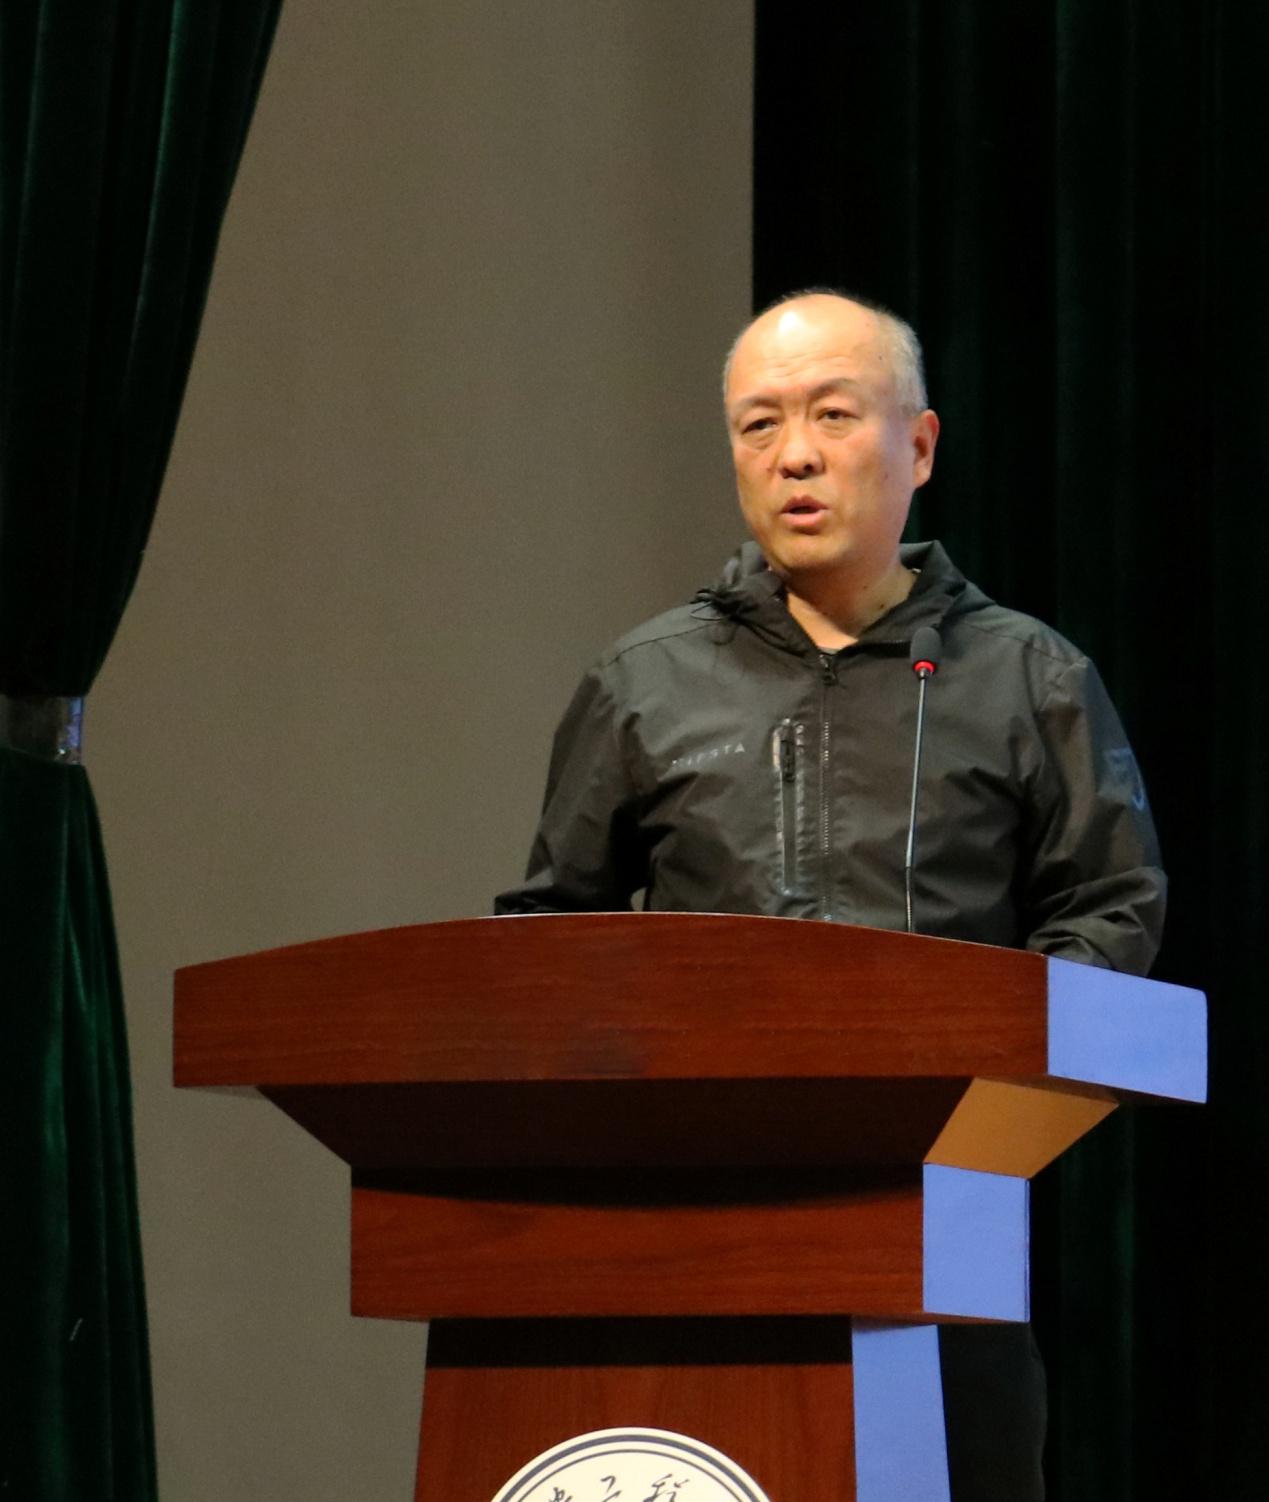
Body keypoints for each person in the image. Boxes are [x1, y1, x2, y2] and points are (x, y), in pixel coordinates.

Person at [496, 290, 1165, 1500]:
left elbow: (1112, 906)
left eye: (832, 414)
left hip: (948, 1215)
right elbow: (551, 935)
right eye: (759, 424)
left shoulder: (1029, 676)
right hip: (695, 1221)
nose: (793, 453)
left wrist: (989, 1086)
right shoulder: (646, 680)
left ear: (919, 444)